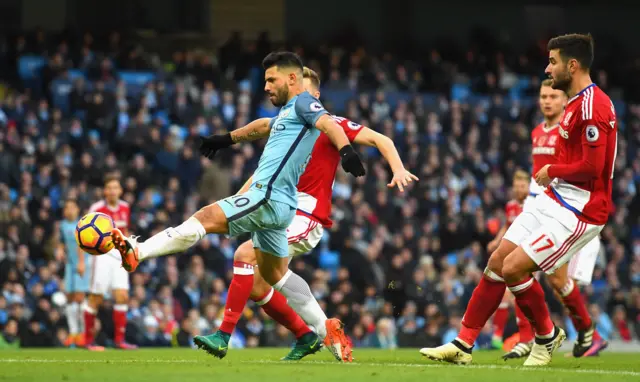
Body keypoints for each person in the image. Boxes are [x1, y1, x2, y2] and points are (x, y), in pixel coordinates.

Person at [110, 52, 366, 359]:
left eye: (272, 80)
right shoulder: (289, 112)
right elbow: (261, 127)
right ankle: (328, 332)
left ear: (293, 79)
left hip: (268, 196)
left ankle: (139, 252)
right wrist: (226, 139)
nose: (267, 86)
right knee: (276, 276)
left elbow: (328, 123)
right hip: (282, 207)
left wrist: (347, 151)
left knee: (205, 218)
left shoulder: (303, 102)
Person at [420, 33, 617, 367]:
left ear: (572, 65)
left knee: (516, 269)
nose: (547, 67)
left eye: (553, 61)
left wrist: (553, 169)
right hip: (554, 199)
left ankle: (547, 335)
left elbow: (593, 168)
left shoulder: (592, 106)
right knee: (497, 262)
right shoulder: (571, 103)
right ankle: (463, 343)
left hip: (579, 210)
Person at [198, 67, 417, 362]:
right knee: (259, 287)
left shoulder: (332, 125)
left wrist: (398, 168)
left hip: (305, 215)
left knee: (244, 255)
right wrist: (236, 203)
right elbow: (262, 172)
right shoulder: (285, 126)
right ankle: (305, 336)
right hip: (278, 209)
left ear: (314, 96)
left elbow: (382, 140)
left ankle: (224, 335)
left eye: (301, 92)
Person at [501, 80, 608, 360]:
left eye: (552, 96)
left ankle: (586, 332)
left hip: (563, 211)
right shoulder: (537, 132)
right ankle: (531, 338)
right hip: (539, 206)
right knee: (520, 270)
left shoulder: (570, 130)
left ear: (564, 101)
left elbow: (577, 169)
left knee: (553, 278)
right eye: (543, 96)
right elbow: (540, 174)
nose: (547, 101)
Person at [83, 175, 137, 350]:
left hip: (119, 255)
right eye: (110, 187)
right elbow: (85, 234)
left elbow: (125, 230)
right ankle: (88, 340)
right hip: (102, 256)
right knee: (96, 297)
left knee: (122, 296)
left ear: (120, 190)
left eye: (116, 187)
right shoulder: (96, 209)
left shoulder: (125, 207)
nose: (113, 191)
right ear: (105, 191)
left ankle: (119, 340)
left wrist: (129, 252)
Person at [486, 170, 530, 350]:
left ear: (528, 187)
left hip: (529, 255)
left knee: (524, 296)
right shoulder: (511, 206)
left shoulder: (533, 205)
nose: (519, 189)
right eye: (517, 186)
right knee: (507, 296)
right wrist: (497, 241)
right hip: (512, 255)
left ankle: (528, 335)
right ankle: (498, 337)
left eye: (522, 186)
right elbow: (507, 225)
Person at [60, 199, 90, 347]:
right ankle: (73, 333)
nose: (69, 210)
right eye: (67, 208)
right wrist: (59, 250)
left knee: (80, 297)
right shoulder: (63, 225)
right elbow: (62, 242)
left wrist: (82, 262)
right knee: (70, 298)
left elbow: (82, 245)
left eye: (72, 207)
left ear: (78, 209)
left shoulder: (82, 224)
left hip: (82, 264)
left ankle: (83, 334)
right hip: (70, 265)